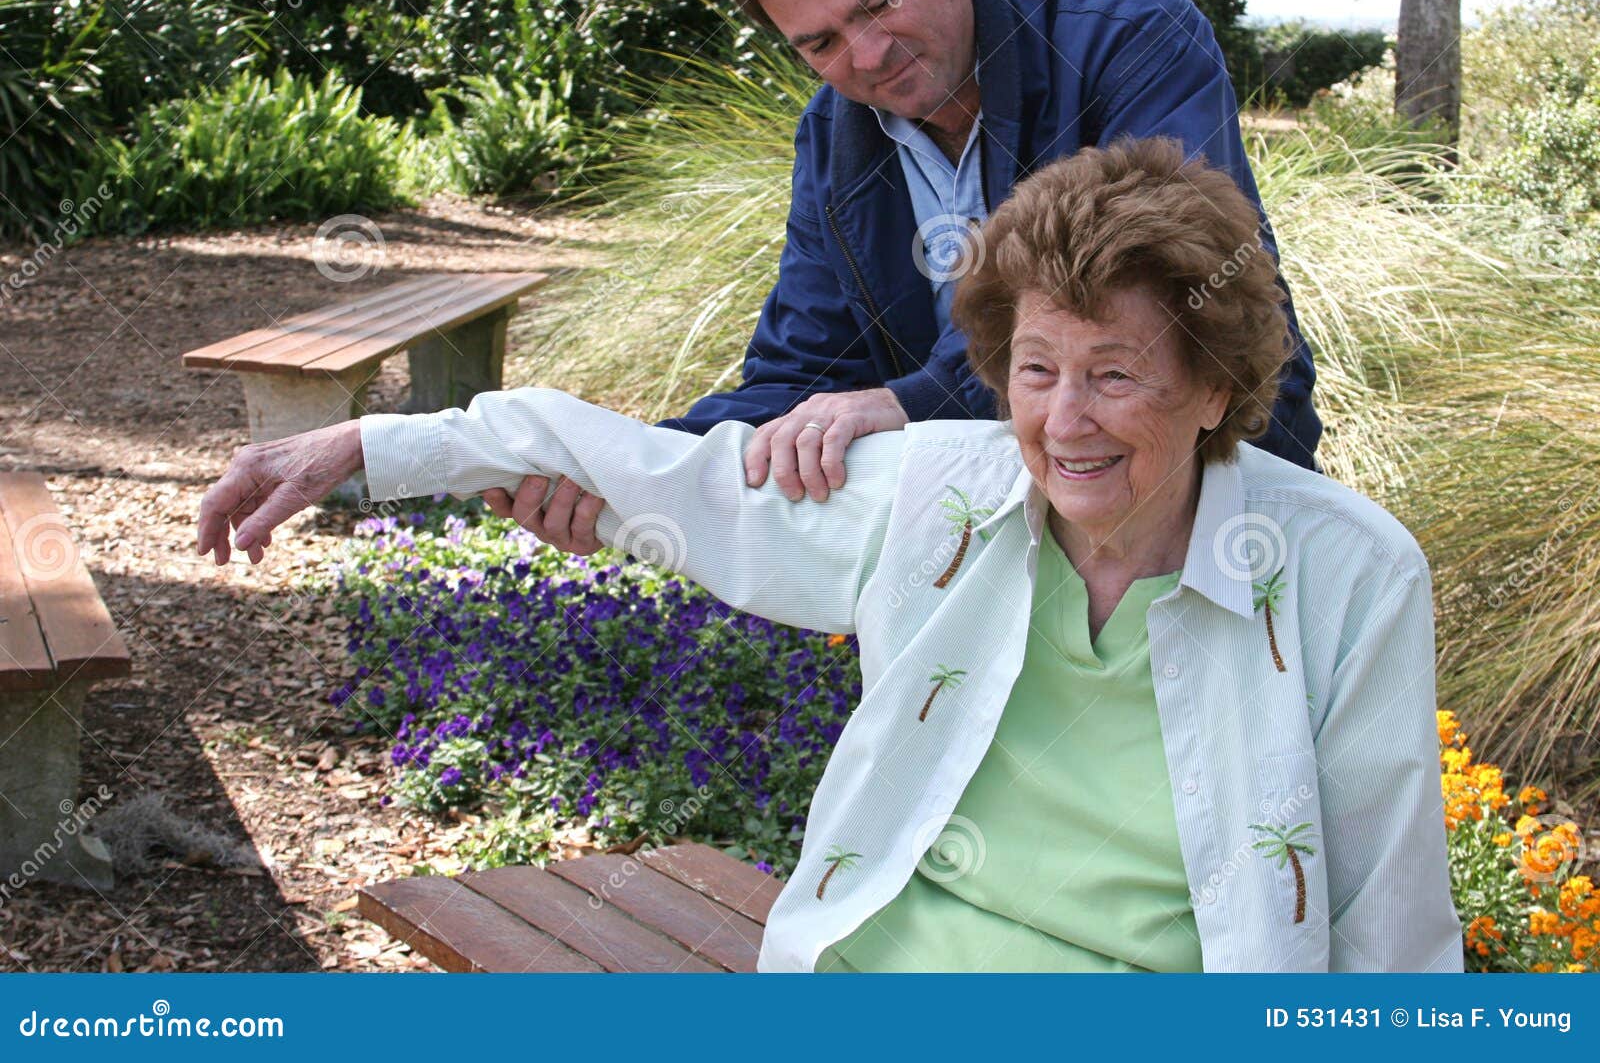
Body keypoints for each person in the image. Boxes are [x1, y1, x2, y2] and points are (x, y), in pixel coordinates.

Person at [195, 137, 1459, 973]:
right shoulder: (942, 489)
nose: (1062, 420)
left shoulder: (1344, 574)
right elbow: (673, 474)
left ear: (1208, 387)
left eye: (1114, 375)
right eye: (1034, 370)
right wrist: (374, 442)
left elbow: (1388, 908)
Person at [511, 0, 1323, 560]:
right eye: (820, 43)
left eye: (878, 4)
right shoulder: (832, 136)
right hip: (1009, 550)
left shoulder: (1128, 35)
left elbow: (1163, 306)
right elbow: (802, 377)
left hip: (1219, 517)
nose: (866, 57)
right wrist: (629, 469)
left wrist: (910, 401)